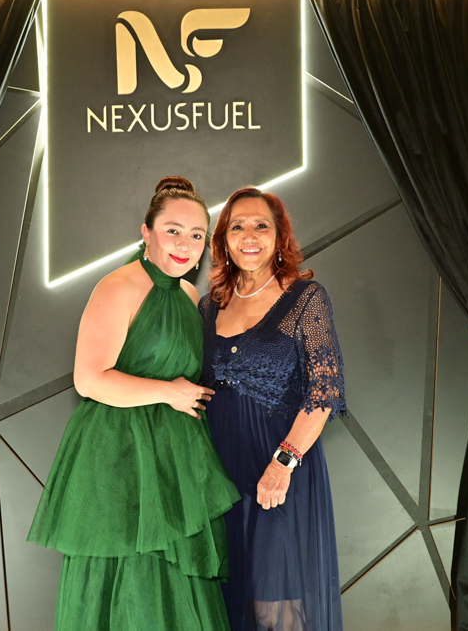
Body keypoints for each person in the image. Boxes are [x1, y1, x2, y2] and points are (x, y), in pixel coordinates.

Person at [28, 176, 240, 631]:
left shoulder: (189, 295)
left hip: (174, 458)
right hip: (119, 455)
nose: (184, 245)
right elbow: (88, 379)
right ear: (146, 232)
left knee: (174, 581)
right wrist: (168, 391)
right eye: (172, 230)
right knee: (127, 574)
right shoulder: (118, 286)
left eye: (196, 235)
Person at [199, 187, 346, 631]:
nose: (249, 235)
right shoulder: (209, 306)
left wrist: (283, 464)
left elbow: (325, 389)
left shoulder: (304, 298)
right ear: (223, 239)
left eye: (261, 225)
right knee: (231, 604)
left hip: (278, 470)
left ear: (279, 236)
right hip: (220, 474)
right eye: (237, 226)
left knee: (276, 608)